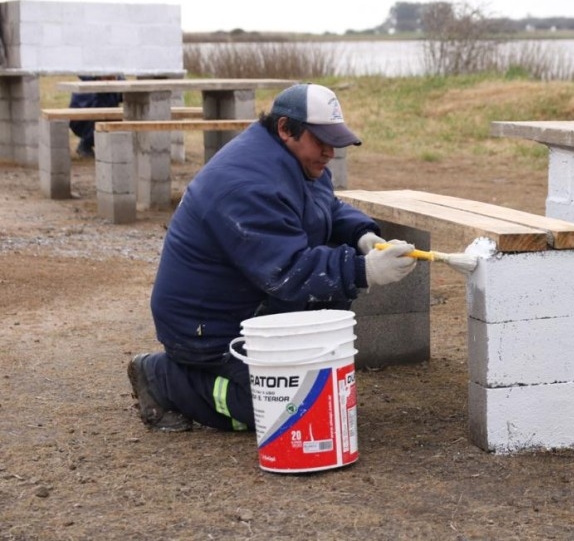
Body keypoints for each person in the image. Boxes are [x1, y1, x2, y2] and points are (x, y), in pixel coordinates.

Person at [127, 83, 417, 432]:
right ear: (284, 128)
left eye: (334, 141)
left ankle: (270, 367)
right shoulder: (248, 185)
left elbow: (325, 207)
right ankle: (165, 378)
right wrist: (362, 270)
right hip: (206, 328)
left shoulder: (297, 162)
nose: (329, 152)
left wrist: (361, 235)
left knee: (310, 374)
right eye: (320, 139)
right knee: (275, 406)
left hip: (245, 303)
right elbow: (288, 271)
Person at [68, 75, 124, 158]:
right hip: (82, 121)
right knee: (106, 110)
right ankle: (86, 143)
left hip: (98, 116)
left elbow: (122, 95)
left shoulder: (116, 76)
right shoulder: (88, 82)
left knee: (121, 116)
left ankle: (89, 143)